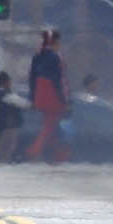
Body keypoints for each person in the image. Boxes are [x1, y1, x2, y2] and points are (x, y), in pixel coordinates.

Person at [24, 29, 71, 162]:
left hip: (40, 94)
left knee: (50, 125)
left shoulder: (37, 56)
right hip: (53, 95)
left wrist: (32, 98)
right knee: (50, 126)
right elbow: (60, 81)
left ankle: (55, 155)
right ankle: (34, 152)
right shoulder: (56, 57)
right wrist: (65, 100)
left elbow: (32, 79)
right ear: (55, 42)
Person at [0, 71, 25, 162]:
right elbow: (22, 104)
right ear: (6, 82)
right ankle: (4, 160)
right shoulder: (8, 95)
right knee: (9, 145)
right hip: (10, 125)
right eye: (9, 81)